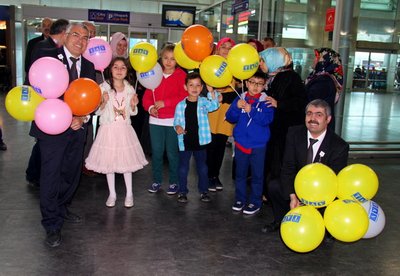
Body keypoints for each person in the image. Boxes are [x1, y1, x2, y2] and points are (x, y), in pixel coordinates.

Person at [28, 22, 96, 248]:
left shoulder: (88, 65)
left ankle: (61, 207)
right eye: (76, 35)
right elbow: (34, 88)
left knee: (70, 173)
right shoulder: (46, 56)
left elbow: (91, 98)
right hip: (51, 129)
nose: (80, 40)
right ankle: (51, 223)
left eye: (85, 37)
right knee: (51, 174)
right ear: (65, 36)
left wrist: (83, 117)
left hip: (77, 129)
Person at [262, 99, 349, 232]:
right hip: (298, 184)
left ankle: (323, 227)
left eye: (319, 114)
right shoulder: (294, 133)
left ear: (328, 119)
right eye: (309, 113)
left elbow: (333, 182)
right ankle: (281, 220)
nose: (312, 118)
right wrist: (293, 196)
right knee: (274, 185)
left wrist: (309, 199)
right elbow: (288, 167)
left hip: (322, 191)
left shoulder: (339, 146)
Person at [85, 57, 148, 208]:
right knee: (109, 163)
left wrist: (133, 105)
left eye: (123, 68)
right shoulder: (103, 87)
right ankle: (112, 193)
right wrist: (103, 102)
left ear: (127, 71)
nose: (119, 70)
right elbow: (98, 113)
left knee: (126, 163)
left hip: (124, 130)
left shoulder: (129, 88)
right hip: (108, 130)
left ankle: (129, 194)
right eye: (116, 67)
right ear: (110, 69)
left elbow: (132, 113)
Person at [25, 19, 70, 187]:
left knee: (43, 144)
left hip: (52, 106)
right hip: (44, 104)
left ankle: (34, 174)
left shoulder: (49, 46)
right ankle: (33, 174)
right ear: (64, 33)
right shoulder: (45, 48)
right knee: (43, 143)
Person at [259, 47, 307, 202]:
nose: (260, 64)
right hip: (275, 128)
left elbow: (300, 102)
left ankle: (278, 194)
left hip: (284, 130)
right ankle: (269, 192)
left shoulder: (290, 77)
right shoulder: (272, 77)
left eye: (263, 60)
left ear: (274, 62)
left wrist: (279, 103)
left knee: (279, 163)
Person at [226, 71, 274, 215]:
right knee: (240, 174)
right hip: (241, 143)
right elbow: (230, 117)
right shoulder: (240, 98)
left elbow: (267, 120)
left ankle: (255, 201)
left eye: (259, 84)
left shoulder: (267, 101)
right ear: (246, 83)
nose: (255, 86)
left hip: (258, 145)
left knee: (257, 175)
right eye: (252, 82)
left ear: (264, 85)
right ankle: (240, 199)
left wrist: (251, 110)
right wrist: (236, 107)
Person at [142, 43, 187, 194]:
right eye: (166, 58)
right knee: (157, 152)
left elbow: (184, 96)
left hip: (173, 120)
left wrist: (165, 103)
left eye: (172, 59)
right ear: (161, 58)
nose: (168, 62)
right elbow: (146, 98)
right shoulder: (154, 73)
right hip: (155, 121)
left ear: (178, 61)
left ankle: (174, 182)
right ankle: (156, 181)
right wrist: (150, 108)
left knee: (172, 153)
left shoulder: (181, 76)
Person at [173, 72, 220, 203]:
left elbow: (215, 105)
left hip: (201, 141)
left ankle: (203, 191)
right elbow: (176, 121)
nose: (194, 88)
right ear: (185, 87)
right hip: (185, 142)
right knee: (183, 168)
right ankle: (182, 191)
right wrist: (177, 127)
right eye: (191, 85)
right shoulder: (180, 105)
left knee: (203, 168)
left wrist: (212, 92)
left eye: (198, 85)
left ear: (202, 87)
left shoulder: (205, 102)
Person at [206, 37, 237, 192]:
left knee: (220, 146)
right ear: (218, 49)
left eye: (230, 48)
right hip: (211, 111)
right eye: (223, 47)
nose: (226, 50)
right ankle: (207, 176)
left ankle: (215, 176)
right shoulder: (210, 64)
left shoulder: (236, 68)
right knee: (210, 145)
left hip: (226, 112)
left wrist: (223, 97)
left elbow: (239, 93)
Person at [305, 48, 343, 131]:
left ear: (324, 61)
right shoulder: (321, 77)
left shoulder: (323, 81)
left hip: (316, 127)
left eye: (317, 58)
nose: (314, 60)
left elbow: (312, 103)